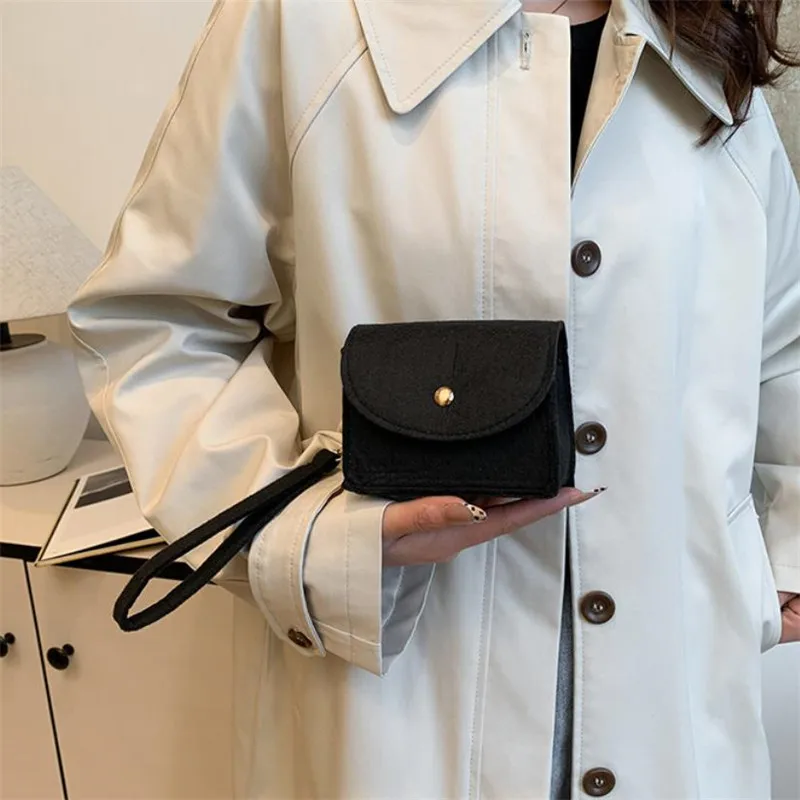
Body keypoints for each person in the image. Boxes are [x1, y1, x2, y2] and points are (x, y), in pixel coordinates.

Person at [67, 0, 799, 796]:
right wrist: (319, 540)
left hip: (679, 720)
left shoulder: (699, 32)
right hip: (399, 717)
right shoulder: (302, 23)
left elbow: (778, 340)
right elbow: (159, 326)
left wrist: (783, 558)